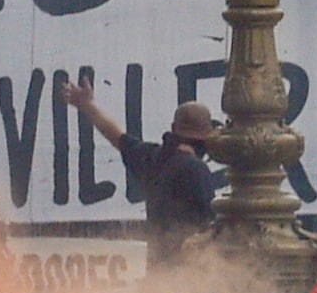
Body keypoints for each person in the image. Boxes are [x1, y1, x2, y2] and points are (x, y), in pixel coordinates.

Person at [58, 78, 220, 264]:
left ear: (174, 128)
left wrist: (87, 105)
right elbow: (212, 226)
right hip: (189, 273)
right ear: (207, 137)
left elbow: (117, 136)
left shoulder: (152, 158)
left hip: (157, 270)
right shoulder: (197, 170)